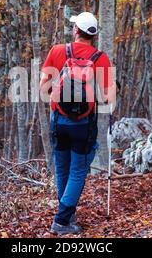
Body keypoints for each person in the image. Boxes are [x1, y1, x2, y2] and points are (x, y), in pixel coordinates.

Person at [40, 12, 115, 235]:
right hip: (84, 124)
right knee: (78, 170)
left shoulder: (57, 51)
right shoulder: (100, 58)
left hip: (58, 120)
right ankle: (63, 219)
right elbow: (108, 98)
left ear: (76, 31)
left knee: (62, 168)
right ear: (93, 36)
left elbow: (43, 89)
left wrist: (58, 92)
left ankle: (67, 214)